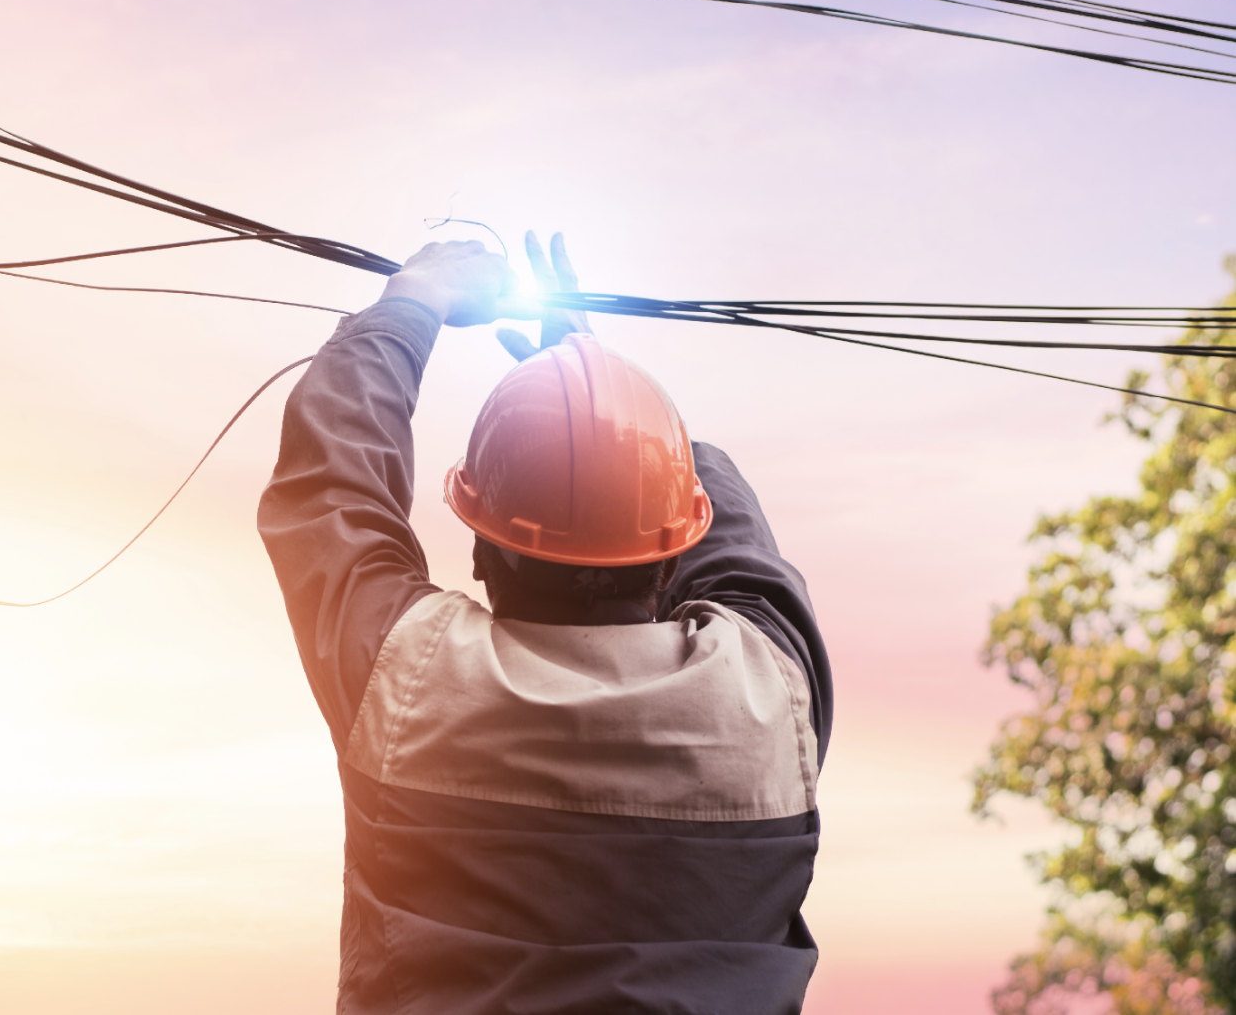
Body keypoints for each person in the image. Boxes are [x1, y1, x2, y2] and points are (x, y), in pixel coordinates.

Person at [258, 234, 833, 1015]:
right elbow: (737, 548)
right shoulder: (772, 698)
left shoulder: (409, 677)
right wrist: (605, 392)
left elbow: (331, 491)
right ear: (671, 559)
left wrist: (411, 304)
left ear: (479, 549)